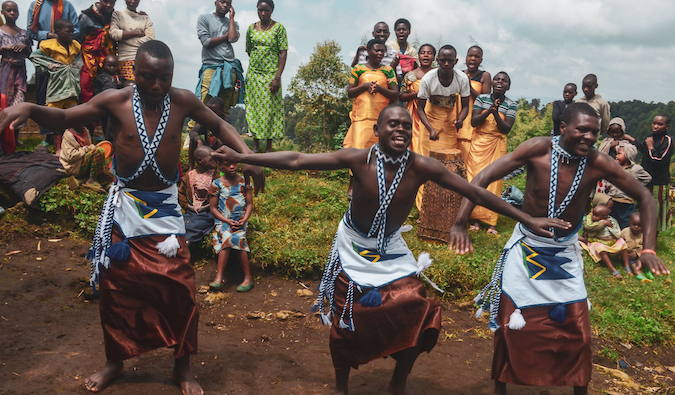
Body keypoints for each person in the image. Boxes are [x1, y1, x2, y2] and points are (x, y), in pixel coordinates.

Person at [212, 104, 570, 395]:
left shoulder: (422, 166)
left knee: (421, 308)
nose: (399, 130)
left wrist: (525, 218)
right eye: (392, 125)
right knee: (347, 318)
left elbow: (475, 191)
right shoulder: (358, 159)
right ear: (378, 131)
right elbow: (298, 160)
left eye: (404, 126)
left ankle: (398, 381)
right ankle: (341, 387)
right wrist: (247, 159)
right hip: (353, 245)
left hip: (392, 248)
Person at [0, 39, 265, 395]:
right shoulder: (117, 100)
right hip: (127, 209)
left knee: (182, 289)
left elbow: (219, 123)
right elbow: (65, 117)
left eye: (164, 78)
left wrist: (249, 156)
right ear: (134, 73)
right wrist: (30, 107)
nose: (156, 85)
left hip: (168, 211)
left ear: (172, 75)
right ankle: (115, 361)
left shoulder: (183, 100)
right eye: (147, 77)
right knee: (116, 289)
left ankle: (182, 367)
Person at [449, 103, 670, 395]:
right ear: (563, 128)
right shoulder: (536, 149)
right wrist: (460, 222)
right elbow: (481, 179)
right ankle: (500, 388)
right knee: (511, 326)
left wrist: (649, 250)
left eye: (595, 132)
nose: (589, 137)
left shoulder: (597, 162)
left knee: (578, 332)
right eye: (582, 130)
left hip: (565, 252)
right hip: (526, 246)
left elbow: (644, 195)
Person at [415, 44, 470, 210]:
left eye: (450, 61)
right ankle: (423, 208)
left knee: (447, 166)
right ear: (437, 60)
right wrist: (430, 129)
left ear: (456, 61)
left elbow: (466, 106)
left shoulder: (462, 79)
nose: (446, 64)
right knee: (426, 165)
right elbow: (419, 109)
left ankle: (442, 206)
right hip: (430, 122)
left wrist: (460, 119)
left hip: (449, 122)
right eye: (443, 60)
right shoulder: (428, 79)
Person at [342, 38, 398, 196]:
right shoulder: (358, 69)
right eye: (376, 50)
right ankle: (353, 185)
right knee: (358, 151)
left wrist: (380, 88)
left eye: (382, 51)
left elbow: (395, 93)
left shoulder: (388, 70)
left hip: (381, 118)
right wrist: (365, 86)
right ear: (369, 51)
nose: (380, 53)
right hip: (361, 117)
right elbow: (349, 92)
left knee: (381, 152)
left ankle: (378, 185)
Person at [466, 72, 517, 235]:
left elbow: (506, 129)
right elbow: (474, 122)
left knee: (494, 182)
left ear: (508, 86)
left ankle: (491, 222)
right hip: (479, 144)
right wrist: (488, 111)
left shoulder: (511, 104)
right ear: (492, 83)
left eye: (504, 81)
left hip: (497, 144)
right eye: (497, 79)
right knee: (475, 178)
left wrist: (496, 114)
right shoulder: (481, 99)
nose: (500, 82)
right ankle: (475, 219)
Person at [27, 0, 80, 146]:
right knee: (44, 94)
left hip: (66, 50)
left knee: (69, 97)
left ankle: (69, 138)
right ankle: (48, 136)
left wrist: (65, 36)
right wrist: (50, 35)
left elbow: (77, 29)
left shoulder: (67, 5)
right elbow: (31, 31)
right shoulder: (35, 5)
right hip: (47, 50)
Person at [245, 0, 287, 153]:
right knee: (254, 109)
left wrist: (277, 77)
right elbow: (249, 50)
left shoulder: (279, 28)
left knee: (270, 109)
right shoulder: (251, 28)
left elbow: (283, 53)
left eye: (266, 10)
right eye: (260, 10)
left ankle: (269, 147)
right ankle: (255, 145)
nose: (263, 13)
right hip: (254, 75)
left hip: (271, 75)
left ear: (272, 11)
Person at [194, 0, 243, 126]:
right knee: (203, 104)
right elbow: (206, 42)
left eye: (228, 3)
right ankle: (192, 138)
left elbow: (232, 38)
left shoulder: (233, 24)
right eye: (222, 2)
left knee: (225, 107)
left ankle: (223, 141)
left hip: (228, 69)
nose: (225, 5)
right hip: (210, 68)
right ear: (215, 3)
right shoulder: (204, 19)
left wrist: (231, 18)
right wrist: (224, 37)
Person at [208, 159, 253, 292]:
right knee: (228, 236)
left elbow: (249, 204)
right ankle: (220, 277)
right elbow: (213, 208)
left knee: (236, 237)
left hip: (240, 221)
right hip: (223, 221)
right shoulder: (217, 184)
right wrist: (226, 221)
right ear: (220, 166)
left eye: (234, 163)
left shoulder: (245, 182)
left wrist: (244, 220)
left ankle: (247, 278)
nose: (232, 167)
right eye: (227, 165)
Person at [625, 114, 674, 232]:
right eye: (654, 123)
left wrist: (651, 147)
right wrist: (632, 140)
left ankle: (652, 240)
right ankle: (639, 237)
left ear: (667, 126)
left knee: (655, 210)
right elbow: (644, 150)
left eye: (660, 124)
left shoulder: (667, 141)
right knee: (640, 207)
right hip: (644, 181)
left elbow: (659, 160)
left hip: (658, 183)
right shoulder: (651, 137)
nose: (655, 126)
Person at [0, 1, 31, 147]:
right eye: (9, 10)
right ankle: (3, 139)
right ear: (2, 13)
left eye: (15, 10)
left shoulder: (24, 33)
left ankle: (15, 138)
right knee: (4, 102)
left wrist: (24, 46)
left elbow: (30, 52)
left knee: (19, 102)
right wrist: (4, 47)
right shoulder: (0, 31)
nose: (12, 13)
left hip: (20, 72)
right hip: (6, 69)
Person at [603, 142, 651, 229]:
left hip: (626, 202)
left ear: (628, 154)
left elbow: (647, 178)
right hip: (612, 200)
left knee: (625, 223)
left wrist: (635, 188)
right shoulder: (614, 167)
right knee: (612, 222)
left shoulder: (636, 169)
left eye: (619, 154)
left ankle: (625, 240)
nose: (616, 156)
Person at [399, 43, 435, 154]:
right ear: (418, 57)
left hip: (433, 114)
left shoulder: (438, 74)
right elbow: (401, 96)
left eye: (429, 53)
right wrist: (417, 95)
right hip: (413, 114)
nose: (426, 55)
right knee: (414, 142)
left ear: (434, 57)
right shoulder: (410, 75)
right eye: (423, 53)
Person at [179, 145, 217, 247]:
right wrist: (189, 207)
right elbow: (181, 195)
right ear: (200, 160)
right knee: (182, 224)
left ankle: (187, 246)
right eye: (211, 160)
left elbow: (220, 195)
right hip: (191, 212)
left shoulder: (216, 176)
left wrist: (207, 207)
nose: (215, 162)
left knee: (197, 225)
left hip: (208, 212)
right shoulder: (189, 176)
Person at [457, 45, 491, 159]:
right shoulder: (458, 74)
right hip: (459, 116)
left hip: (474, 119)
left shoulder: (485, 76)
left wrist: (469, 87)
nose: (473, 58)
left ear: (481, 60)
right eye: (470, 55)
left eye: (476, 56)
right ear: (466, 58)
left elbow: (485, 101)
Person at [78, 0, 115, 103]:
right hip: (89, 58)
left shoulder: (115, 17)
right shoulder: (86, 17)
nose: (109, 5)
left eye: (112, 3)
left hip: (107, 58)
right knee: (86, 85)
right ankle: (89, 116)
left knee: (108, 85)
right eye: (106, 2)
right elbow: (78, 40)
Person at [579, 203, 629, 280]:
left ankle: (627, 265)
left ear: (604, 217)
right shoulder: (593, 222)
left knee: (622, 242)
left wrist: (612, 233)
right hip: (600, 242)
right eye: (593, 214)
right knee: (600, 248)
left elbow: (616, 231)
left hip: (612, 242)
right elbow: (590, 229)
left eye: (596, 215)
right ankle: (613, 269)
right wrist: (601, 225)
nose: (593, 216)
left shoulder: (611, 220)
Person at [109, 0, 154, 81]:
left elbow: (150, 39)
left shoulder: (145, 18)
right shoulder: (118, 15)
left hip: (142, 61)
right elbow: (113, 33)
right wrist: (137, 33)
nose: (132, 1)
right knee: (129, 88)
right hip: (124, 60)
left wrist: (124, 39)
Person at [60, 126, 110, 192]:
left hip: (83, 161)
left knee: (107, 170)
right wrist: (88, 148)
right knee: (98, 151)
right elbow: (71, 156)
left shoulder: (85, 130)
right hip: (74, 166)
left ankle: (82, 180)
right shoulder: (68, 135)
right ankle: (91, 181)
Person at [187, 96, 226, 169]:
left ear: (222, 111)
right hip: (208, 147)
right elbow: (193, 131)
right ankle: (191, 167)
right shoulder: (206, 120)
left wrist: (218, 138)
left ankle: (220, 167)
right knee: (193, 141)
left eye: (214, 111)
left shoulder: (226, 120)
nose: (211, 113)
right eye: (209, 110)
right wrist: (198, 140)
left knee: (220, 142)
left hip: (221, 148)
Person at [621, 212, 654, 283]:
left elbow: (646, 245)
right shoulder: (625, 232)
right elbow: (620, 243)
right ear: (630, 223)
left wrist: (637, 252)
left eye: (639, 225)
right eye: (634, 224)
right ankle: (639, 274)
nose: (636, 227)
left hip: (641, 253)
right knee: (634, 265)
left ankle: (648, 270)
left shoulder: (644, 234)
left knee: (648, 259)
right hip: (629, 256)